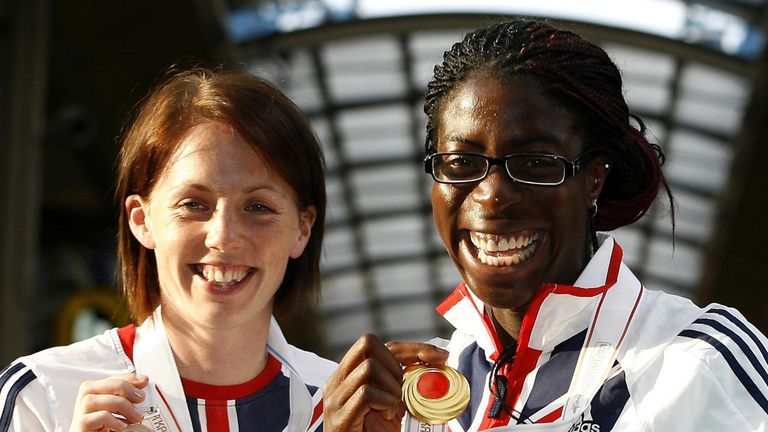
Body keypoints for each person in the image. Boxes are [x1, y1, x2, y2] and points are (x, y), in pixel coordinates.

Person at [323, 19, 768, 431]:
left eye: (535, 162)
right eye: (461, 163)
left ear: (595, 178)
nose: (492, 194)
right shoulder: (411, 398)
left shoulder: (698, 359)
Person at [0, 67, 336, 431]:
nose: (223, 236)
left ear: (302, 228)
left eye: (258, 207)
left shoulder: (350, 407)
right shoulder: (41, 397)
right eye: (193, 204)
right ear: (142, 220)